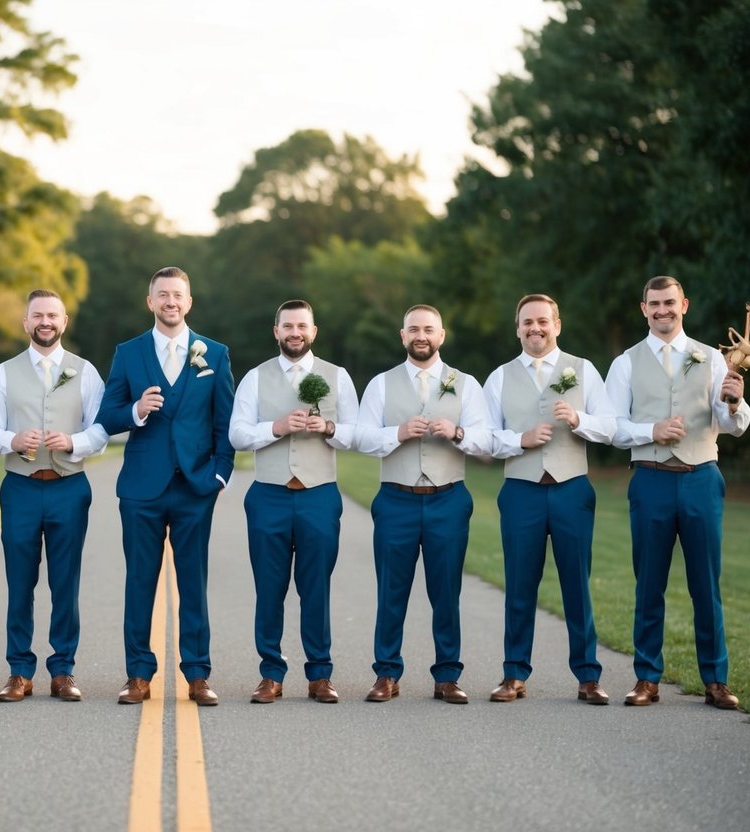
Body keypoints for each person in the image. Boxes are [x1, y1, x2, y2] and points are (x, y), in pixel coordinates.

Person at [604, 275, 750, 709]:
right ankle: (647, 678)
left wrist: (734, 403)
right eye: (654, 303)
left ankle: (716, 681)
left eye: (670, 302)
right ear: (643, 308)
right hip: (649, 480)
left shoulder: (712, 358)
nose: (663, 310)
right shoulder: (625, 363)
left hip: (702, 478)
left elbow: (733, 426)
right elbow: (611, 427)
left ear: (684, 304)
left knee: (706, 584)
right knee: (649, 583)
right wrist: (652, 430)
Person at [97, 266, 235, 706]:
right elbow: (107, 415)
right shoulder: (129, 352)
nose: (170, 302)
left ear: (188, 302)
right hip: (141, 488)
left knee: (193, 581)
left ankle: (197, 674)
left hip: (196, 487)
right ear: (150, 302)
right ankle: (138, 674)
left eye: (178, 294)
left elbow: (224, 422)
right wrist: (135, 409)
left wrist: (219, 474)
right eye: (162, 295)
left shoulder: (214, 354)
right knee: (140, 581)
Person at [482, 294, 616, 705]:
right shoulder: (500, 377)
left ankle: (588, 677)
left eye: (542, 321)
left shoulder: (584, 370)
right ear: (517, 327)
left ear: (557, 324)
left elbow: (610, 427)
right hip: (521, 491)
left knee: (577, 583)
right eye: (527, 322)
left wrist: (579, 420)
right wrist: (518, 440)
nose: (534, 328)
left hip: (572, 488)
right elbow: (484, 439)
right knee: (520, 586)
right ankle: (514, 674)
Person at [354, 304, 491, 705]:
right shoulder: (381, 383)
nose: (421, 336)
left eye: (428, 329)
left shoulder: (466, 384)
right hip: (395, 498)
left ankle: (447, 676)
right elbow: (361, 438)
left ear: (441, 335)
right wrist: (396, 433)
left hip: (449, 497)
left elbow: (486, 440)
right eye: (413, 329)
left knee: (446, 591)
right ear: (402, 336)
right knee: (390, 590)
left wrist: (458, 432)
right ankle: (386, 673)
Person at [0, 290, 108, 702]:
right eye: (38, 315)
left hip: (69, 488)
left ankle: (63, 670)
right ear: (26, 322)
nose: (45, 322)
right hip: (19, 487)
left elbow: (102, 431)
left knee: (64, 581)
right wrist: (12, 439)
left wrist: (73, 441)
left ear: (64, 321)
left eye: (52, 315)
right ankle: (19, 670)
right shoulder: (2, 373)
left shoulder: (85, 371)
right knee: (20, 582)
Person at [228, 300, 358, 704]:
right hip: (268, 495)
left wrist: (330, 427)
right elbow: (237, 434)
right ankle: (271, 673)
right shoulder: (254, 377)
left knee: (315, 586)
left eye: (302, 325)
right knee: (270, 588)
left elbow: (357, 434)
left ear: (313, 331)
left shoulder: (338, 376)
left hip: (320, 495)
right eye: (288, 326)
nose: (295, 332)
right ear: (276, 331)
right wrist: (277, 427)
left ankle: (320, 675)